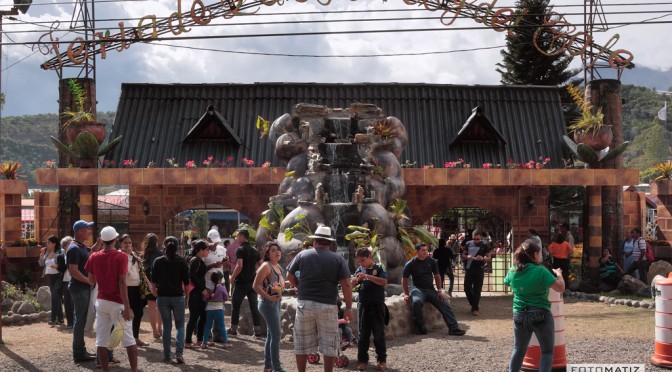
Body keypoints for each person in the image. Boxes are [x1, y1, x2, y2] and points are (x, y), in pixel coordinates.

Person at [287, 226, 353, 372]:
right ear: (329, 243)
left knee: (302, 342)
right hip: (328, 305)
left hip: (305, 304)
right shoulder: (338, 259)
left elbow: (290, 276)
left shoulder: (302, 255)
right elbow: (347, 284)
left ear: (315, 241)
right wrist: (348, 307)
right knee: (330, 344)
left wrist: (299, 287)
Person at [504, 241, 564, 372]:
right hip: (540, 313)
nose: (541, 256)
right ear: (535, 254)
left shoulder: (513, 270)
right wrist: (559, 275)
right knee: (547, 351)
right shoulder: (540, 271)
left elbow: (507, 282)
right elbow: (560, 288)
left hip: (519, 314)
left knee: (518, 349)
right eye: (540, 253)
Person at [84, 226, 138, 372]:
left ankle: (105, 369)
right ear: (115, 240)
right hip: (117, 303)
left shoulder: (94, 257)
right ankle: (134, 370)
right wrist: (127, 306)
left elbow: (91, 280)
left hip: (101, 301)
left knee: (101, 339)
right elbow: (122, 282)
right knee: (128, 339)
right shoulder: (121, 257)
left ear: (102, 240)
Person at [402, 242, 465, 336]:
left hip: (431, 290)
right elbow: (404, 279)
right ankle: (420, 326)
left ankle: (454, 328)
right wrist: (406, 294)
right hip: (417, 289)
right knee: (416, 302)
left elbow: (437, 276)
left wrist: (439, 290)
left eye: (426, 250)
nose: (425, 252)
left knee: (445, 304)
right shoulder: (410, 263)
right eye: (423, 250)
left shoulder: (432, 261)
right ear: (417, 251)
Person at [151, 236, 190, 364]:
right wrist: (187, 296)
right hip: (178, 296)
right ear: (178, 247)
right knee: (179, 326)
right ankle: (179, 353)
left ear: (164, 246)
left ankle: (167, 355)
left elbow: (153, 282)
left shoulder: (158, 261)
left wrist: (156, 293)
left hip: (162, 297)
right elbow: (186, 283)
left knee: (166, 326)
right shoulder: (182, 261)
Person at [67, 220, 101, 363]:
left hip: (82, 288)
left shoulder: (80, 246)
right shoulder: (74, 248)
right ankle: (79, 353)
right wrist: (89, 281)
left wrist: (99, 241)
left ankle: (81, 350)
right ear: (80, 231)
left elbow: (91, 252)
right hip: (79, 288)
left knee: (81, 319)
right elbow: (73, 270)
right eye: (87, 229)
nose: (89, 231)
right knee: (80, 320)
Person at [253, 241, 288, 372]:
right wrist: (269, 297)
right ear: (267, 253)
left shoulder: (277, 266)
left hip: (275, 302)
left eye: (278, 249)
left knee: (271, 335)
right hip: (268, 303)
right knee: (276, 335)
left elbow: (278, 284)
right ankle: (277, 368)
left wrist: (290, 287)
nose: (277, 252)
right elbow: (255, 286)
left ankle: (268, 366)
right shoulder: (266, 266)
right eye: (273, 250)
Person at [352, 247, 388, 372]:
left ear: (370, 257)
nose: (361, 263)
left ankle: (381, 360)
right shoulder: (359, 269)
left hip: (377, 305)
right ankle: (362, 361)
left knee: (378, 334)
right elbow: (351, 284)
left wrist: (367, 276)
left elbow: (383, 282)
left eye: (363, 260)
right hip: (363, 305)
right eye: (359, 261)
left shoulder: (379, 267)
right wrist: (356, 280)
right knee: (363, 335)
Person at [228, 229, 263, 337]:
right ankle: (257, 331)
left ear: (243, 237)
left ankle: (233, 329)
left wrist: (232, 278)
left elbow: (239, 265)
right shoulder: (254, 250)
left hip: (241, 283)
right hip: (252, 283)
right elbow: (261, 265)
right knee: (254, 306)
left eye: (237, 236)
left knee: (235, 305)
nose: (236, 238)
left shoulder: (240, 249)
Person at [120, 234, 149, 347]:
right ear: (121, 244)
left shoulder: (134, 255)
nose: (128, 245)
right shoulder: (121, 256)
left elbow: (139, 271)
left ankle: (135, 337)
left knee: (139, 312)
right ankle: (121, 339)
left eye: (129, 243)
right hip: (126, 288)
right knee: (123, 315)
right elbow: (125, 271)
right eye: (125, 243)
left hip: (136, 288)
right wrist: (128, 256)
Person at [204, 229, 228, 343]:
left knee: (219, 309)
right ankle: (207, 335)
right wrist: (213, 265)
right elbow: (200, 268)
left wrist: (224, 262)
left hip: (219, 283)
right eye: (213, 242)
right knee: (207, 311)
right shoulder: (203, 250)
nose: (215, 244)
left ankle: (218, 334)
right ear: (207, 239)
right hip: (207, 284)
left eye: (217, 242)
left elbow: (227, 264)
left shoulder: (222, 250)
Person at [185, 240, 209, 349]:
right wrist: (202, 289)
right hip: (195, 292)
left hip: (199, 293)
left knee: (203, 316)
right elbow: (192, 276)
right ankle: (188, 341)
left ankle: (200, 340)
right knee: (194, 317)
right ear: (200, 250)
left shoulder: (200, 260)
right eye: (206, 249)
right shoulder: (195, 260)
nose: (208, 251)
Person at [461, 233, 492, 316]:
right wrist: (467, 257)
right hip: (469, 268)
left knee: (477, 289)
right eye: (474, 239)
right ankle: (474, 305)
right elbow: (463, 255)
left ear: (481, 238)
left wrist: (483, 258)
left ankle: (475, 308)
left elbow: (489, 257)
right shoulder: (468, 243)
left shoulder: (485, 245)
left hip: (479, 269)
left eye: (478, 239)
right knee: (467, 288)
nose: (476, 241)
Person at [202, 271, 233, 349]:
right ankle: (225, 343)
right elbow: (226, 298)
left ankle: (204, 343)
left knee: (208, 326)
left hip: (209, 308)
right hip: (219, 308)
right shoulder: (222, 288)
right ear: (220, 279)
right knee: (222, 326)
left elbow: (204, 298)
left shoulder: (209, 288)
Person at [39, 235, 65, 325]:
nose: (47, 244)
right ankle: (60, 318)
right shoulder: (47, 252)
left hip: (58, 276)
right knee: (56, 297)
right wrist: (42, 255)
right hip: (50, 277)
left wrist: (57, 266)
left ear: (54, 243)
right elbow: (42, 264)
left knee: (55, 296)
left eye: (48, 242)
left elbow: (64, 264)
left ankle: (53, 318)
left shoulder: (61, 252)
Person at [141, 233, 163, 339]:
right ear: (156, 242)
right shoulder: (161, 254)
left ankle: (154, 331)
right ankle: (159, 328)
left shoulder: (144, 254)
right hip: (160, 283)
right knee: (160, 308)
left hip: (148, 284)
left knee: (151, 308)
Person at [59, 235, 74, 328]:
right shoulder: (61, 256)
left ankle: (76, 321)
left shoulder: (76, 254)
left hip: (75, 280)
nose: (71, 245)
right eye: (69, 244)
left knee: (74, 301)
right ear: (64, 246)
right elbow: (61, 269)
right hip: (65, 281)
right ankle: (70, 322)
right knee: (67, 302)